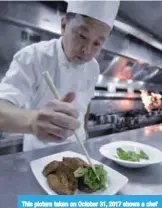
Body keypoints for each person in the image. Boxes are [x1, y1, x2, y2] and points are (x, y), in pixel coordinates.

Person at [0, 1, 120, 151]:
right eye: (82, 36)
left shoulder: (93, 67)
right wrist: (32, 122)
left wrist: (86, 131)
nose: (87, 50)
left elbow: (85, 104)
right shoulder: (33, 56)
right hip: (40, 154)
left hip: (79, 149)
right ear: (63, 26)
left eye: (97, 43)